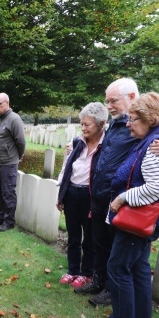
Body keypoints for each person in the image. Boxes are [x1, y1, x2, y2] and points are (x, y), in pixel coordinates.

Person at [74, 78, 159, 306]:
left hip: (123, 200)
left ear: (131, 98)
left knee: (116, 247)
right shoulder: (115, 123)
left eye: (113, 100)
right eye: (107, 100)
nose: (108, 105)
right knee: (99, 241)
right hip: (101, 195)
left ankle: (112, 290)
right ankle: (98, 280)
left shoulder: (145, 124)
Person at [56, 102, 108, 288]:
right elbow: (66, 168)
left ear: (101, 124)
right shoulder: (77, 143)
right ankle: (72, 270)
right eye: (82, 124)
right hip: (72, 192)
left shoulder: (107, 144)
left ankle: (86, 273)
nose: (83, 128)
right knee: (73, 235)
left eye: (87, 125)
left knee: (90, 238)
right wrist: (61, 194)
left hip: (91, 195)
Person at [0, 92, 26, 232]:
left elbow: (21, 141)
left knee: (8, 192)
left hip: (8, 163)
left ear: (7, 103)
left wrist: (18, 156)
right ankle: (0, 217)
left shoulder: (14, 119)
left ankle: (9, 221)